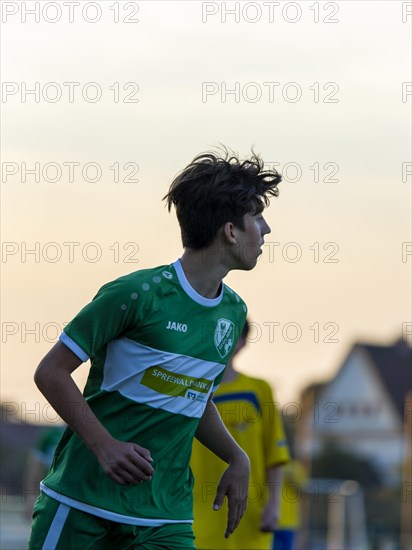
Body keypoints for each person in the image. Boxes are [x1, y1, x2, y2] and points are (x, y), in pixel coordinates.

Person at [28, 148, 282, 549]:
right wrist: (104, 446)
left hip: (166, 517)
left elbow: (194, 399)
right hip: (82, 503)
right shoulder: (136, 294)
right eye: (257, 217)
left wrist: (237, 457)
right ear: (230, 231)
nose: (266, 229)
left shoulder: (233, 312)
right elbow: (51, 372)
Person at [191, 319, 290, 549]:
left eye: (229, 335)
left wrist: (274, 506)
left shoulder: (258, 389)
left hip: (249, 518)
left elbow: (275, 454)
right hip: (195, 517)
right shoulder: (189, 388)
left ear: (243, 342)